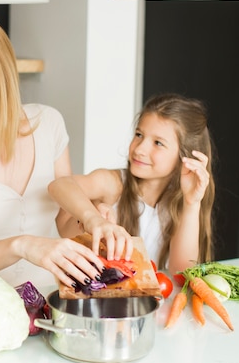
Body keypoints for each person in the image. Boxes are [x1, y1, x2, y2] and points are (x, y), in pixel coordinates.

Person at [0, 14, 131, 290]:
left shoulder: (49, 124)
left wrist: (90, 221)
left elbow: (64, 220)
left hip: (48, 296)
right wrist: (24, 246)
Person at [48, 93, 216, 275]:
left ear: (186, 157)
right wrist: (92, 218)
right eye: (139, 134)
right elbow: (60, 185)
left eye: (158, 143)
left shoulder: (183, 200)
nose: (140, 149)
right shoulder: (114, 183)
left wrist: (192, 204)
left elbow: (182, 273)